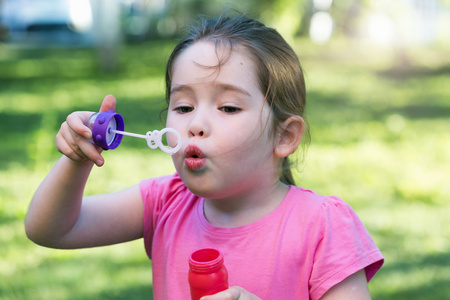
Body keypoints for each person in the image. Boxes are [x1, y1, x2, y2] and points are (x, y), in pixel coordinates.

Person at [25, 13, 383, 300]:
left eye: (227, 107)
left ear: (284, 136)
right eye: (183, 106)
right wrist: (76, 158)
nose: (196, 123)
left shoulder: (322, 226)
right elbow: (52, 229)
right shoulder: (164, 203)